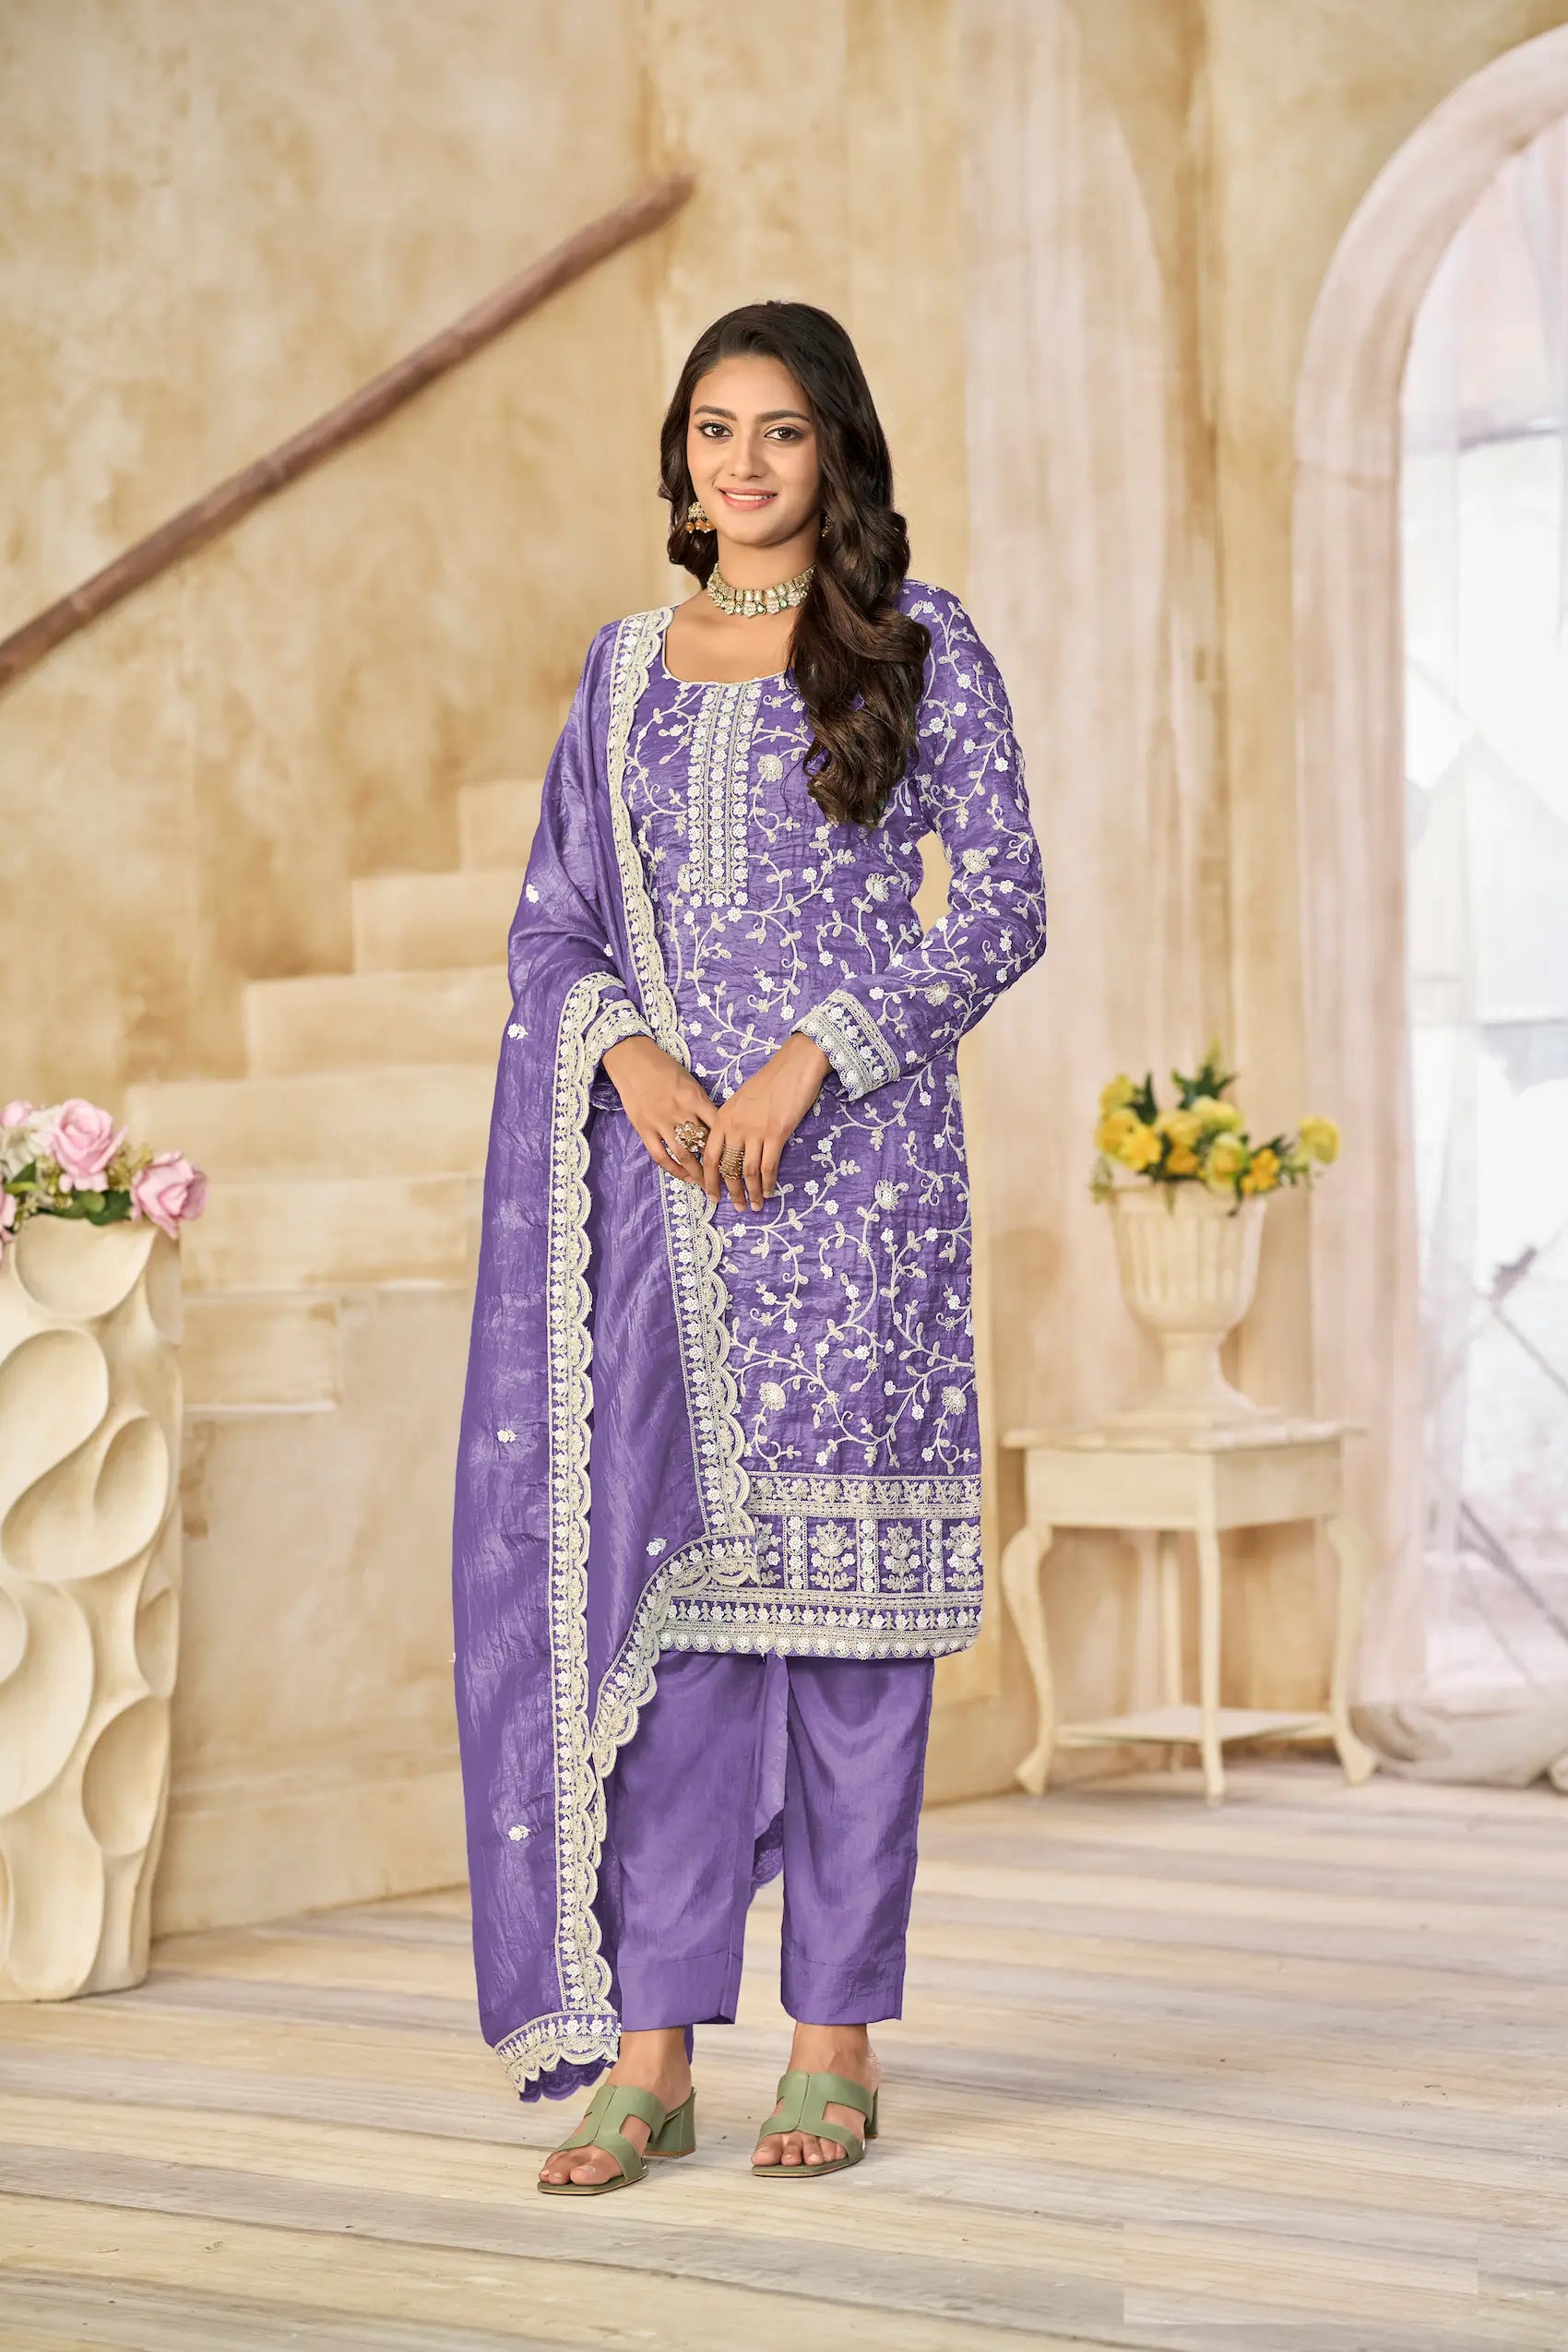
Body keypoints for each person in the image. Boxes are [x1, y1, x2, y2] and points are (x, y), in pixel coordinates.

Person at [451, 299, 1047, 2195]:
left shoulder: (918, 645)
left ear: (834, 450)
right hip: (668, 1210)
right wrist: (630, 1056)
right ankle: (653, 2050)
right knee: (678, 1627)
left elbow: (1005, 904)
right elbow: (554, 923)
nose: (744, 462)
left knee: (853, 1638)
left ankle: (834, 2038)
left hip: (858, 1198)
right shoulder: (622, 672)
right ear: (681, 454)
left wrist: (815, 1055)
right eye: (715, 427)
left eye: (780, 430)